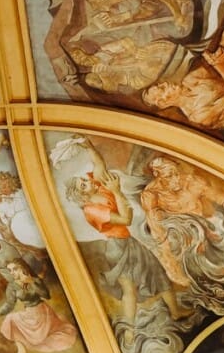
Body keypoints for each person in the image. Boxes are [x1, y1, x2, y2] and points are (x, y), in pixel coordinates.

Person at [65, 138, 187, 324]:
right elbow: (125, 219)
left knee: (158, 273)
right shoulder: (92, 210)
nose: (87, 181)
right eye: (83, 185)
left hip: (127, 242)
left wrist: (89, 146)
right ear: (83, 195)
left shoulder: (99, 187)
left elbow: (99, 164)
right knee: (129, 290)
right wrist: (117, 192)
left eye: (84, 180)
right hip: (117, 247)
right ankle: (130, 329)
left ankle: (175, 312)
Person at [140, 156, 224, 284]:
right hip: (181, 243)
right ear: (156, 174)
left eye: (176, 173)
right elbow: (157, 232)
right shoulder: (151, 195)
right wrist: (170, 265)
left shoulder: (192, 183)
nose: (176, 179)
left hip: (208, 233)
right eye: (169, 176)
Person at [0, 259, 77, 353]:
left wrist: (32, 282)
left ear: (22, 268)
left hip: (43, 312)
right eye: (10, 270)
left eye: (15, 269)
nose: (12, 273)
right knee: (10, 319)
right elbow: (9, 304)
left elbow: (46, 295)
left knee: (45, 339)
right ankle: (20, 347)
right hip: (29, 313)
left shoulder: (34, 280)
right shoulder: (12, 286)